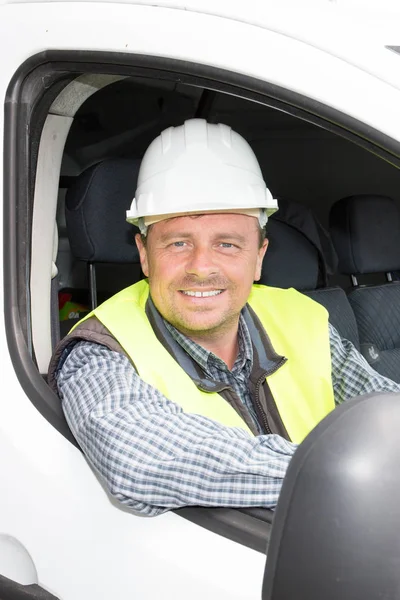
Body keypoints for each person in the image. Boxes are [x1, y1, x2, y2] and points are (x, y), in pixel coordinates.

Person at [48, 119, 400, 516]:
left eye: (228, 244)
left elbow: (385, 417)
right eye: (178, 243)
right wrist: (348, 475)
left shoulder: (302, 319)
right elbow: (140, 462)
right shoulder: (99, 349)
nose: (201, 267)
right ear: (145, 254)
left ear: (259, 257)